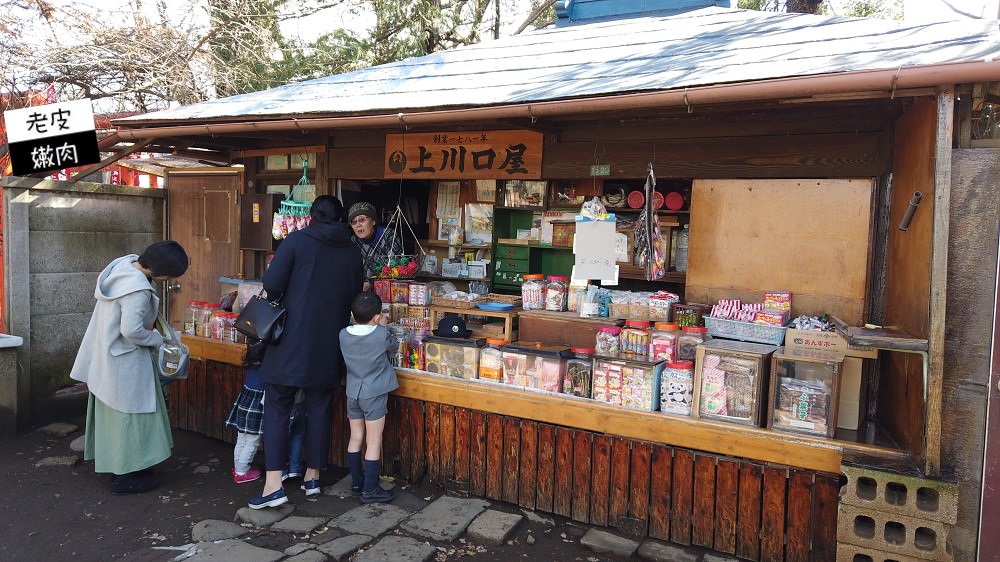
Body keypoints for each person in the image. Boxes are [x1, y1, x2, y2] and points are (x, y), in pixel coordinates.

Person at [249, 195, 364, 509]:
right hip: (329, 342)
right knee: (320, 407)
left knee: (277, 406)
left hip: (289, 340)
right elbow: (356, 296)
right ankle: (312, 476)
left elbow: (272, 285)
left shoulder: (296, 242)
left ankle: (274, 484)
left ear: (313, 215)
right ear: (341, 218)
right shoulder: (353, 251)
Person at [69, 240, 189, 495]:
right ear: (161, 270)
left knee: (117, 417)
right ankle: (126, 477)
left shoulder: (123, 268)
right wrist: (159, 341)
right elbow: (131, 330)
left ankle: (131, 467)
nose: (168, 280)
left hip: (107, 356)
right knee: (132, 417)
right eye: (170, 275)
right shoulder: (137, 290)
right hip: (125, 361)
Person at [339, 291, 398, 503]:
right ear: (376, 316)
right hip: (374, 393)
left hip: (353, 391)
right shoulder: (380, 334)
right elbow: (394, 347)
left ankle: (356, 483)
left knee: (355, 437)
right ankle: (370, 490)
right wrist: (383, 326)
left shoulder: (343, 334)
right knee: (373, 442)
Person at [348, 201, 403, 280]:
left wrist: (370, 283)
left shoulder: (389, 235)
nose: (358, 225)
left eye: (362, 219)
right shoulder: (354, 240)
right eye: (354, 222)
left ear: (373, 221)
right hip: (361, 288)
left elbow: (394, 266)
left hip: (384, 285)